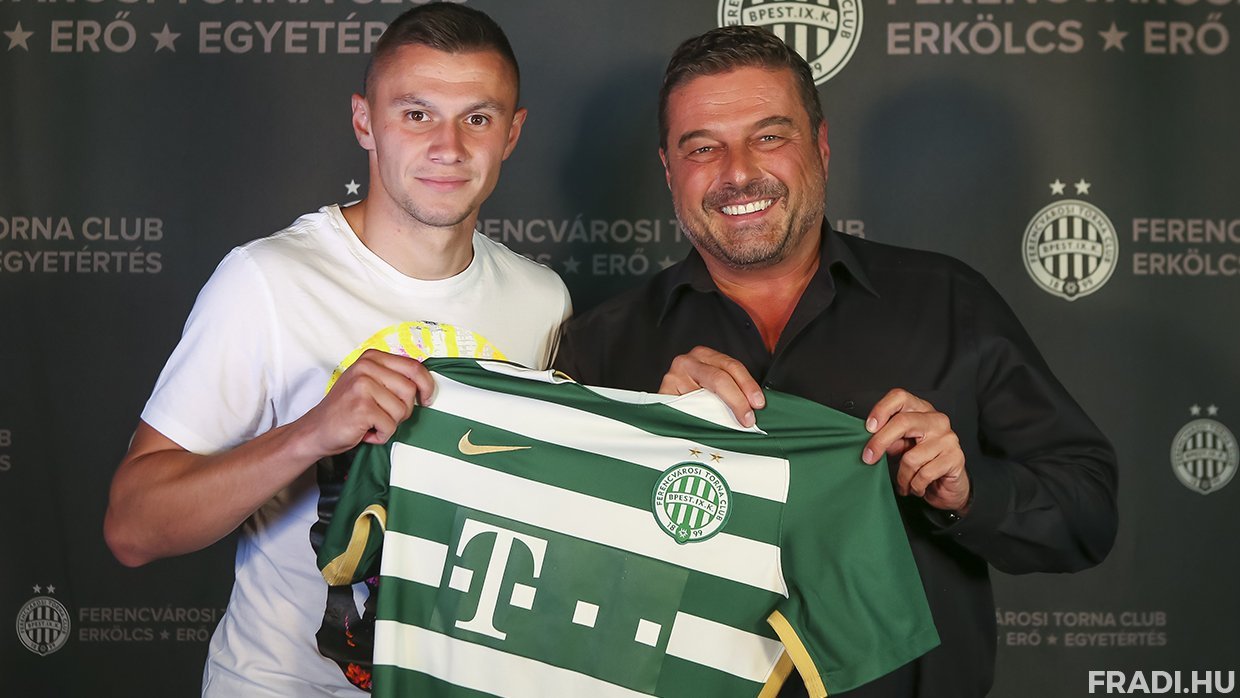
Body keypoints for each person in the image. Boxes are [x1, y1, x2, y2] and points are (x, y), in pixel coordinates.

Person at [554, 25, 1118, 698]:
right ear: (669, 170)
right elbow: (560, 584)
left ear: (820, 147)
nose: (738, 172)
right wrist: (645, 438)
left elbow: (1088, 511)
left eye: (769, 136)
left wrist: (969, 490)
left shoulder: (947, 302)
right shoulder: (599, 346)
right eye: (703, 147)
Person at [104, 5, 570, 696]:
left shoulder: (542, 300)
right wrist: (312, 432)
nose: (449, 145)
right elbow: (133, 527)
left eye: (477, 117)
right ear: (363, 122)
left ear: (512, 133)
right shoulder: (268, 280)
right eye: (416, 114)